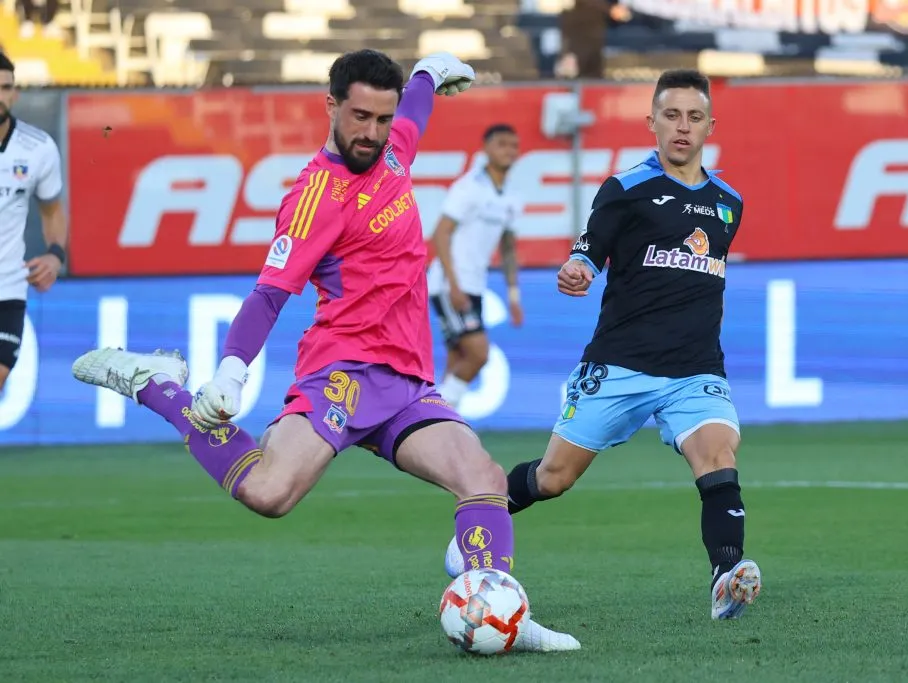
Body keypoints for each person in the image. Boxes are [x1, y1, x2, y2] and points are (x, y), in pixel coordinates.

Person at [72, 49, 579, 653]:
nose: (371, 132)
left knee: (484, 478)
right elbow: (268, 294)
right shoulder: (315, 197)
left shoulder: (393, 149)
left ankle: (502, 617)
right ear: (331, 105)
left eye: (381, 119)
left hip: (407, 381)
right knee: (268, 493)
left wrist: (426, 74)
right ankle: (157, 384)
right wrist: (232, 371)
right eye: (359, 116)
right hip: (342, 372)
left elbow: (415, 115)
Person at [444, 69, 762, 621]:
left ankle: (725, 576)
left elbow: (712, 281)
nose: (682, 127)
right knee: (554, 477)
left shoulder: (728, 201)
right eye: (671, 115)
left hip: (695, 368)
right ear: (652, 122)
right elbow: (588, 251)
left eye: (693, 116)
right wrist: (577, 269)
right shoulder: (626, 189)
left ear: (711, 124)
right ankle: (478, 523)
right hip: (621, 364)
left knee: (718, 457)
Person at [428, 123, 524, 411]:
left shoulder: (511, 196)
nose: (509, 150)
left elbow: (508, 248)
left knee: (458, 357)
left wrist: (514, 296)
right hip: (450, 284)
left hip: (475, 284)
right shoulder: (468, 187)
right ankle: (437, 418)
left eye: (514, 145)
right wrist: (453, 285)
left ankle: (438, 424)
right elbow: (440, 233)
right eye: (502, 144)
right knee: (478, 353)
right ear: (486, 149)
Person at [0, 52, 67, 393]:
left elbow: (52, 210)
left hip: (8, 286)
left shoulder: (38, 148)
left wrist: (55, 254)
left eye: (5, 87)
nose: (0, 95)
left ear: (15, 93)